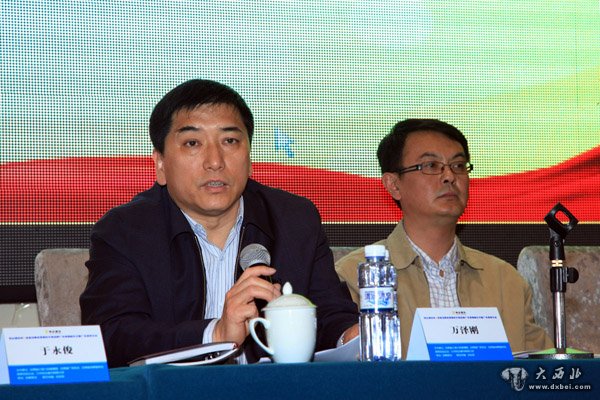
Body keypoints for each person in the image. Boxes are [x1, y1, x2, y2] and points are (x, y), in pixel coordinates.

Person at [80, 79, 358, 367]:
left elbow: (330, 315)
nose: (215, 161)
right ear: (160, 164)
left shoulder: (295, 220)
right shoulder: (124, 231)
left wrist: (350, 337)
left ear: (249, 158)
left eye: (230, 141)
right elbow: (112, 336)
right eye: (192, 143)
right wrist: (216, 333)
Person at [335, 118, 552, 357]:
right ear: (393, 185)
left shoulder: (506, 281)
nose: (449, 176)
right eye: (431, 165)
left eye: (458, 165)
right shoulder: (353, 277)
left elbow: (541, 370)